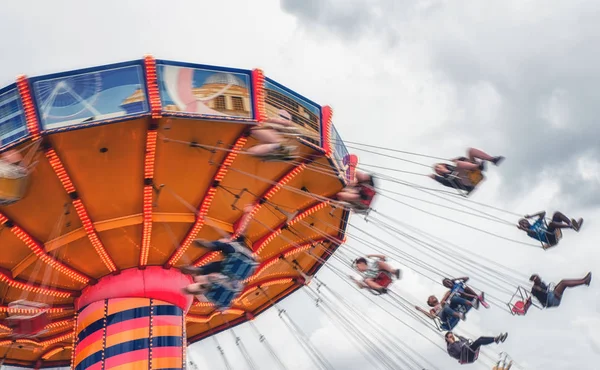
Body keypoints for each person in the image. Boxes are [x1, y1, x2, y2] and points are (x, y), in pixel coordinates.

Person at [181, 205, 258, 296]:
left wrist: (247, 213)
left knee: (217, 265)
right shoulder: (236, 245)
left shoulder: (231, 253)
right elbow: (244, 229)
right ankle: (200, 272)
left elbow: (244, 230)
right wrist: (247, 213)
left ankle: (200, 274)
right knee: (222, 257)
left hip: (240, 269)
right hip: (241, 266)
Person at [430, 148, 504, 193]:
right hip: (468, 183)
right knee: (459, 164)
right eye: (436, 171)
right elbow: (445, 182)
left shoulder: (452, 166)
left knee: (470, 151)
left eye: (437, 167)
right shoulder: (446, 178)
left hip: (473, 173)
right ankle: (478, 166)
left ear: (442, 164)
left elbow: (464, 160)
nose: (437, 169)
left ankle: (493, 160)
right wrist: (436, 176)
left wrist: (458, 159)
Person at [517, 211, 583, 249]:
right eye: (522, 224)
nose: (524, 223)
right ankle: (571, 226)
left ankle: (572, 225)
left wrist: (531, 216)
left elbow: (543, 213)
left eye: (524, 221)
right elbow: (533, 232)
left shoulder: (536, 223)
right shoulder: (529, 233)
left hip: (552, 233)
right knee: (551, 224)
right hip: (549, 239)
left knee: (557, 214)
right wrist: (523, 229)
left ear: (527, 221)